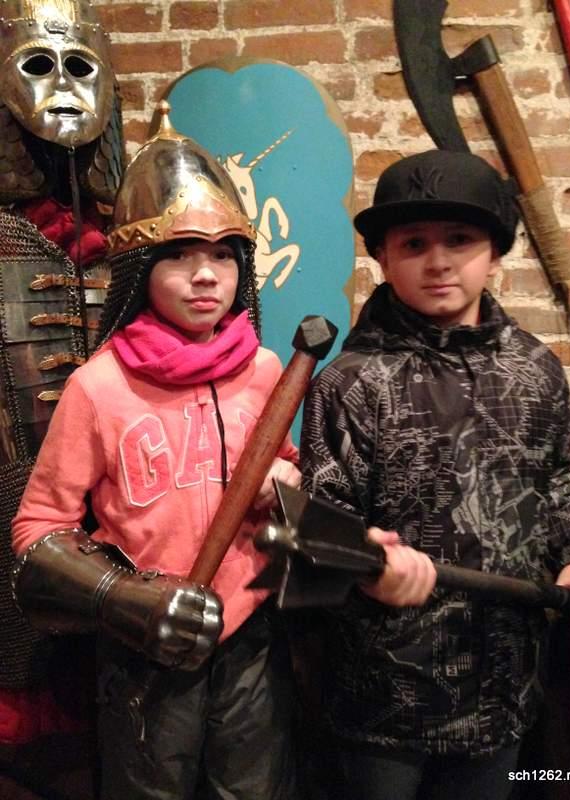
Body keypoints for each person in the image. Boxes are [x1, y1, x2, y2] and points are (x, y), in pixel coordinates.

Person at [12, 103, 301, 800]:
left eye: (222, 255)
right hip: (144, 644)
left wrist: (285, 488)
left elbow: (286, 470)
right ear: (140, 266)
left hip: (251, 634)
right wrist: (124, 599)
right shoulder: (99, 386)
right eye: (179, 253)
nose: (206, 275)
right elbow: (39, 527)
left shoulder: (265, 370)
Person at [300, 149, 570, 800]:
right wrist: (367, 563)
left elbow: (557, 481)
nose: (438, 261)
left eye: (460, 240)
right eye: (414, 243)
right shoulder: (352, 383)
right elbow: (324, 522)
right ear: (383, 257)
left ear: (495, 254)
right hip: (385, 696)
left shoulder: (535, 370)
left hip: (505, 682)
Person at [0, 0, 124, 752]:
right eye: (36, 67)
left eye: (80, 67)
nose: (63, 89)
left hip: (123, 506)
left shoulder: (140, 234)